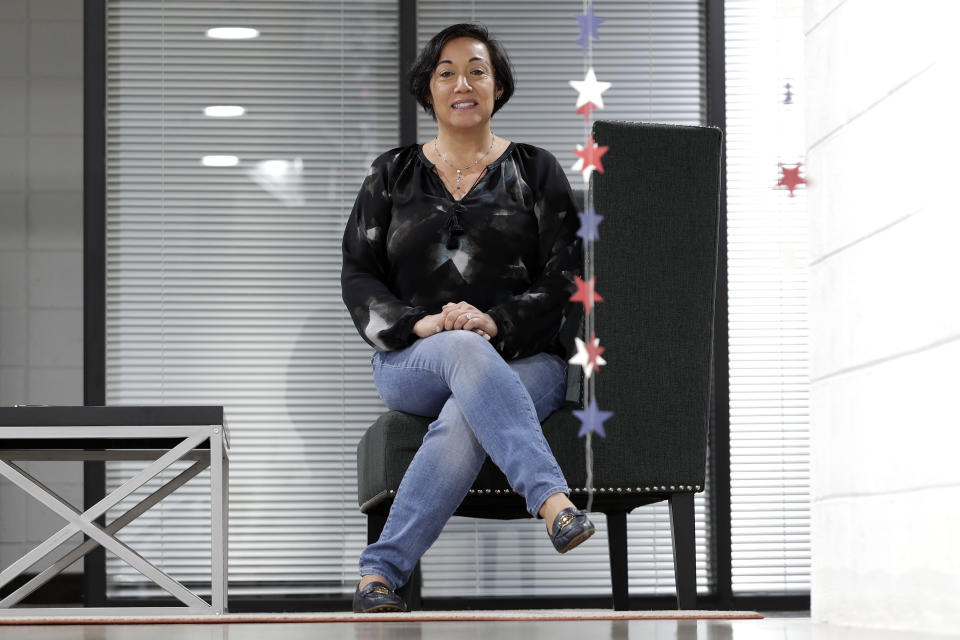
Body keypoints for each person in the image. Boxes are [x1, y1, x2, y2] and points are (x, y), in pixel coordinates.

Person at [341, 23, 594, 614]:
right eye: (447, 71)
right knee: (461, 351)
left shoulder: (536, 170)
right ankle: (552, 499)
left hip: (528, 361)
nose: (463, 83)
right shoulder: (390, 175)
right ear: (428, 89)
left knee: (466, 408)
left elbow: (562, 280)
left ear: (497, 86)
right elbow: (358, 275)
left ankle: (379, 575)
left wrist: (494, 322)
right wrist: (421, 325)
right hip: (414, 360)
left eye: (477, 70)